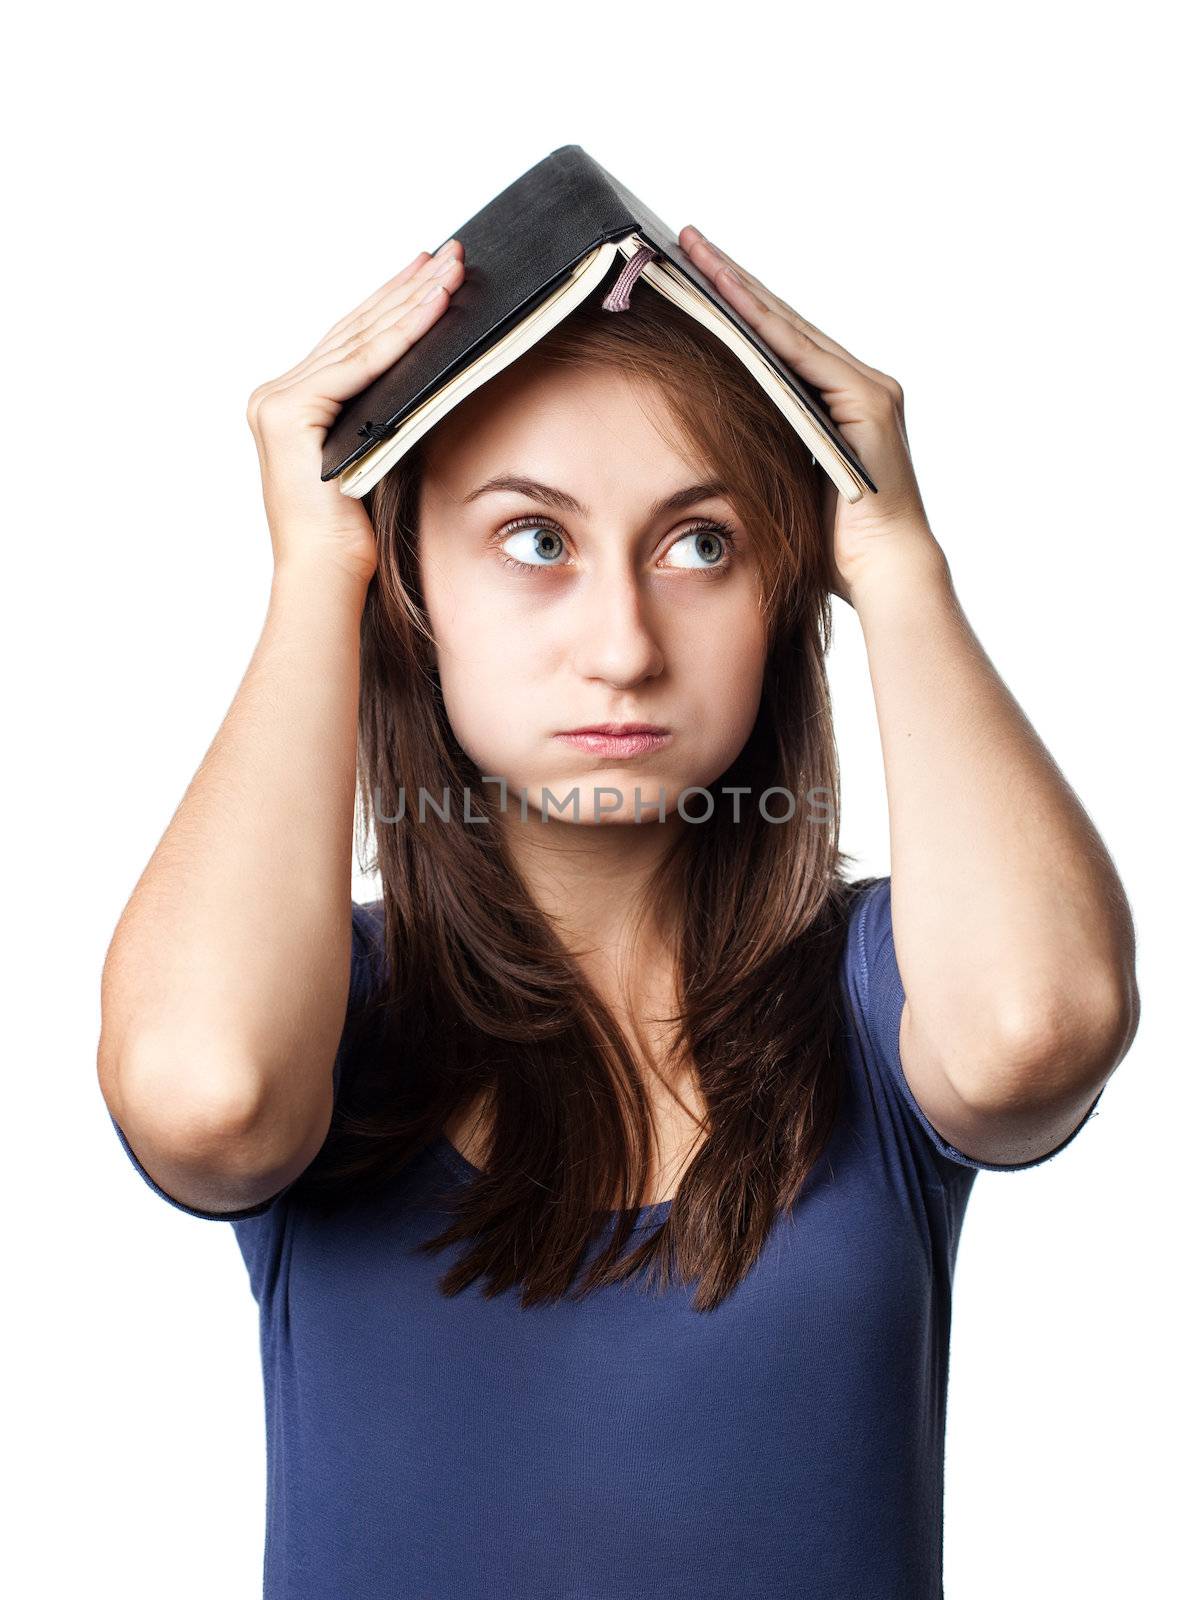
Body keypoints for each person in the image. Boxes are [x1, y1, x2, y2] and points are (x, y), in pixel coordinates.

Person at [97, 224, 1140, 1598]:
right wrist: (315, 579)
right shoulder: (321, 1008)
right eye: (533, 540)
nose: (624, 647)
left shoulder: (881, 1001)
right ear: (413, 587)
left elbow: (1037, 1029)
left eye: (701, 544)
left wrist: (895, 562)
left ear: (784, 588)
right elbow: (205, 1095)